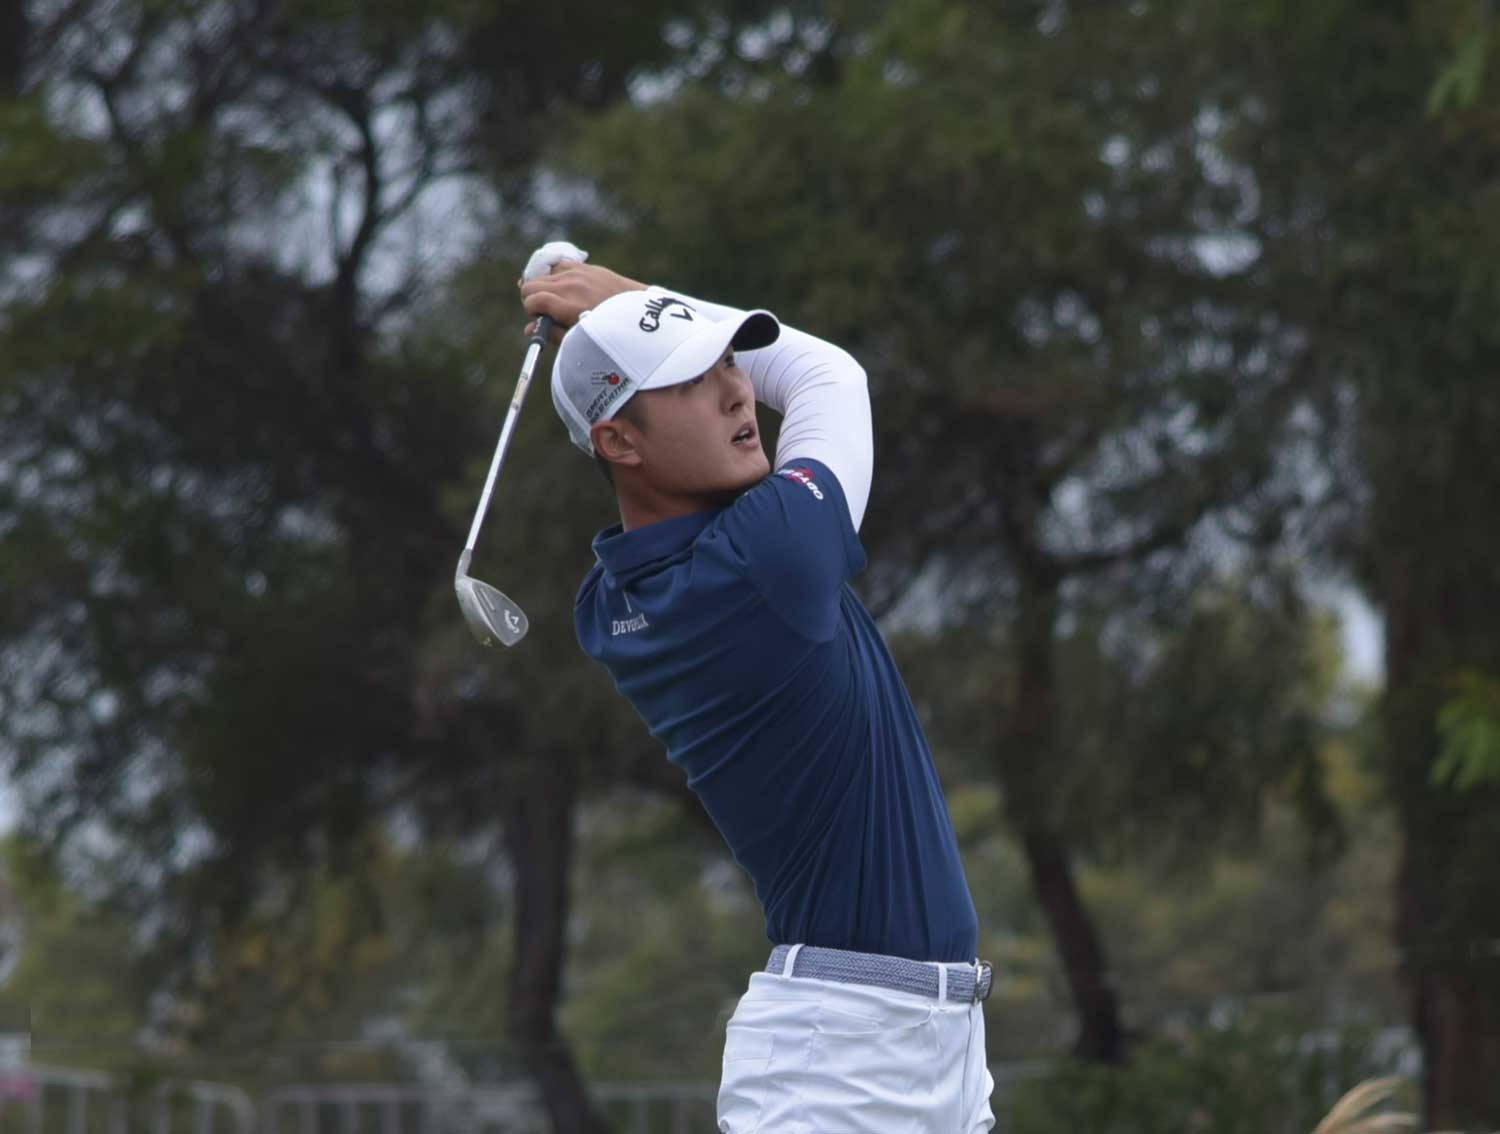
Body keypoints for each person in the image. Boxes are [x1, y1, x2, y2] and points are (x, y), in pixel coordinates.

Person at [520, 248, 995, 1133]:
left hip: (918, 1043)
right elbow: (827, 374)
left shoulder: (616, 595)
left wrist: (642, 324)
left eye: (731, 361)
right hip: (843, 1061)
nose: (740, 393)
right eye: (693, 381)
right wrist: (633, 296)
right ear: (618, 441)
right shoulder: (765, 561)